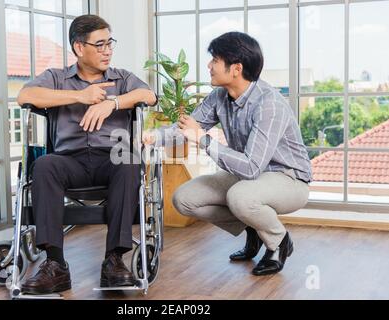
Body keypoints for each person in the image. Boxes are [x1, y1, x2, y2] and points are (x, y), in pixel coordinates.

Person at [144, 32, 312, 276]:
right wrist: (151, 137)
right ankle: (253, 227)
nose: (209, 65)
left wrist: (202, 139)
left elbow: (252, 167)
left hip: (288, 178)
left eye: (215, 60)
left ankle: (279, 242)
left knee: (240, 196)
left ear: (236, 68)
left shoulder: (269, 104)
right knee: (184, 198)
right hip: (248, 176)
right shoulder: (219, 97)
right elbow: (189, 128)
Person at [17, 14, 156, 294]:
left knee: (129, 160)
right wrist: (80, 96)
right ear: (79, 48)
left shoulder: (121, 78)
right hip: (70, 161)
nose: (108, 51)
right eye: (100, 44)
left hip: (111, 159)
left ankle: (114, 261)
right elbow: (25, 96)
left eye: (110, 43)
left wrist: (113, 103)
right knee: (43, 165)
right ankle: (55, 264)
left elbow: (149, 95)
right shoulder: (56, 78)